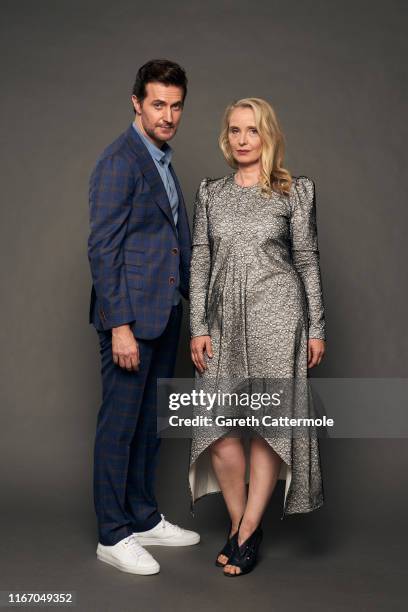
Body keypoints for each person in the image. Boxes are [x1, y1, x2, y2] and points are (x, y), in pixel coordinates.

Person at [189, 97, 326, 576]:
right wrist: (199, 326)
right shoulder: (210, 192)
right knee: (218, 428)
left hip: (278, 314)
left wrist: (317, 328)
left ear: (267, 136)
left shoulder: (295, 191)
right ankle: (241, 523)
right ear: (225, 138)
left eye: (252, 130)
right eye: (234, 131)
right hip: (223, 319)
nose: (242, 140)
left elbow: (306, 260)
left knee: (268, 428)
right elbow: (200, 260)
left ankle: (245, 533)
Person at [88, 59, 199, 576]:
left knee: (151, 427)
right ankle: (112, 534)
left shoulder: (160, 159)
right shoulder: (120, 161)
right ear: (137, 102)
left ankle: (142, 516)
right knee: (120, 427)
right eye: (158, 104)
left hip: (165, 315)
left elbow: (168, 241)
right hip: (131, 322)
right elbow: (103, 248)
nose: (168, 115)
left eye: (176, 105)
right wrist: (120, 325)